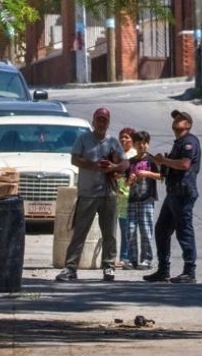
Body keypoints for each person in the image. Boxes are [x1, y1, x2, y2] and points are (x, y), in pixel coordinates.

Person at [56, 107, 127, 282]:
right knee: (80, 232)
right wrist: (93, 165)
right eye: (99, 119)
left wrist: (113, 167)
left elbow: (125, 163)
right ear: (94, 121)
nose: (101, 123)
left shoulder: (113, 142)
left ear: (108, 123)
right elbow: (74, 159)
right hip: (88, 194)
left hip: (108, 193)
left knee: (109, 233)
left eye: (104, 120)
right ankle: (70, 268)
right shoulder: (83, 139)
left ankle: (108, 267)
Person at [144, 109, 202, 284]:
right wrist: (163, 163)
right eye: (175, 117)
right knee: (162, 230)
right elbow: (175, 164)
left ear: (188, 124)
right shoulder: (179, 142)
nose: (176, 120)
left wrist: (165, 162)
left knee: (184, 231)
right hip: (173, 192)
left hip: (183, 193)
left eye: (181, 118)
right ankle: (163, 270)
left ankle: (189, 271)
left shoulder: (189, 141)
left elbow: (184, 164)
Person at [126, 129, 162, 271]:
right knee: (130, 229)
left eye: (145, 143)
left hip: (147, 200)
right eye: (139, 143)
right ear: (134, 144)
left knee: (146, 230)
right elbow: (125, 182)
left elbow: (161, 176)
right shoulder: (130, 162)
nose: (142, 146)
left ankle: (146, 259)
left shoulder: (152, 160)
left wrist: (148, 173)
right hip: (132, 200)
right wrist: (131, 179)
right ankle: (131, 259)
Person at [115, 128, 138, 268]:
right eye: (121, 137)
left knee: (126, 228)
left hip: (129, 195)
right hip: (118, 195)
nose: (123, 140)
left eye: (126, 137)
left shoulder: (134, 155)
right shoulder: (119, 154)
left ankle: (126, 257)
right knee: (121, 227)